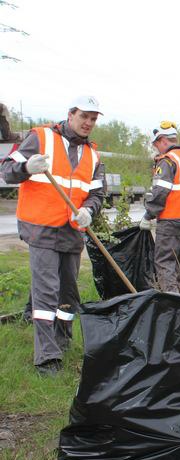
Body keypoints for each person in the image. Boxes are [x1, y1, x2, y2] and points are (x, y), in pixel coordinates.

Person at [0, 96, 105, 376]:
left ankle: (63, 341)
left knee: (68, 292)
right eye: (84, 116)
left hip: (72, 230)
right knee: (46, 290)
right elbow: (7, 172)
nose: (88, 123)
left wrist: (89, 211)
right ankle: (47, 357)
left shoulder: (93, 154)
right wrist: (25, 168)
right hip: (41, 227)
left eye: (94, 119)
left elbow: (97, 192)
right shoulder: (41, 138)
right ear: (71, 114)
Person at [140, 122, 180, 294]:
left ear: (163, 140)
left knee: (165, 264)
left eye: (156, 144)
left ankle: (172, 304)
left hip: (170, 221)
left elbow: (160, 193)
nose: (156, 149)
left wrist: (148, 215)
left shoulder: (168, 161)